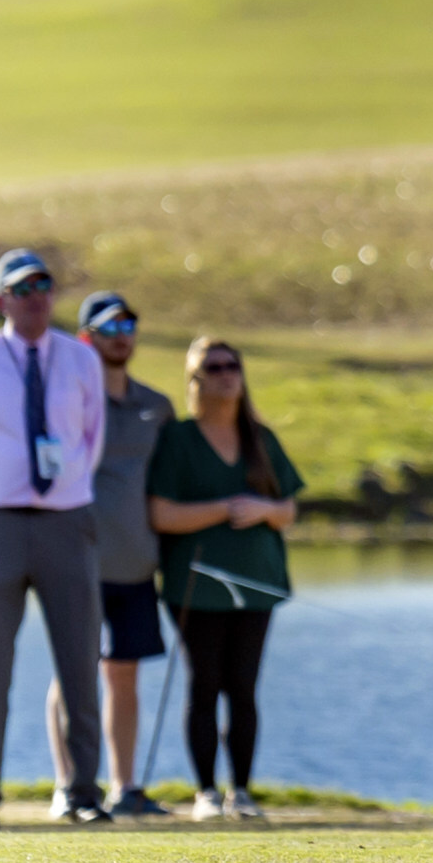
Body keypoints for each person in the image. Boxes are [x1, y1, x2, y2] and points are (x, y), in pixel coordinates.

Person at [0, 249, 107, 825]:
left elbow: (91, 436)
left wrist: (67, 487)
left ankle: (81, 794)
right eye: (22, 288)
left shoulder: (81, 361)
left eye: (44, 286)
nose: (36, 297)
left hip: (65, 520)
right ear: (2, 299)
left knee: (80, 658)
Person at [146, 339, 303, 821]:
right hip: (195, 587)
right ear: (195, 380)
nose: (226, 374)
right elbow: (162, 515)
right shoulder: (179, 439)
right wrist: (222, 509)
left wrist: (263, 509)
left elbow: (288, 511)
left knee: (243, 686)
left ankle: (243, 791)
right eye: (213, 367)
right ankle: (205, 793)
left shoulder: (261, 438)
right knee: (205, 684)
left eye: (233, 365)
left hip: (258, 583)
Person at [45, 293, 176, 818]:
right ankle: (68, 786)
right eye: (108, 327)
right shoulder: (69, 400)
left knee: (124, 675)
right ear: (86, 338)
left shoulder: (157, 406)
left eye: (128, 324)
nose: (121, 334)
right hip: (78, 562)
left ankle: (125, 789)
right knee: (73, 670)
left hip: (136, 565)